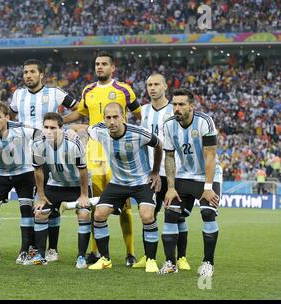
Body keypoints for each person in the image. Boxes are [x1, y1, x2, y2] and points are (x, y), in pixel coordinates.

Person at [63, 51, 141, 266]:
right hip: (93, 154)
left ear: (112, 67)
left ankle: (130, 253)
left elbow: (139, 115)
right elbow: (79, 113)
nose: (99, 67)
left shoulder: (124, 90)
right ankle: (95, 252)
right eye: (97, 64)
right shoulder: (88, 90)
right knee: (93, 206)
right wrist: (59, 121)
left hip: (117, 156)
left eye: (104, 64)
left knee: (125, 206)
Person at [10, 59, 78, 261]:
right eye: (25, 72)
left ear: (41, 75)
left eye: (32, 72)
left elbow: (79, 109)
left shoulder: (55, 93)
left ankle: (52, 249)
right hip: (23, 157)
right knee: (32, 203)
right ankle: (32, 247)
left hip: (48, 155)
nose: (28, 75)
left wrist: (59, 123)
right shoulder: (18, 95)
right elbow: (9, 115)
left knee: (49, 202)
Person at [86, 103, 162, 272]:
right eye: (108, 117)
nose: (112, 121)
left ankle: (151, 260)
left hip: (142, 181)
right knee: (98, 214)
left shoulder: (138, 133)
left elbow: (159, 144)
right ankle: (105, 259)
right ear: (104, 119)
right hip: (118, 182)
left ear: (123, 117)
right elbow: (86, 130)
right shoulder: (99, 130)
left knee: (147, 215)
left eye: (115, 117)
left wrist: (156, 171)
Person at [160, 88, 222, 277]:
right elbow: (169, 156)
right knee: (171, 214)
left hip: (207, 176)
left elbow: (210, 156)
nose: (176, 108)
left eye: (181, 104)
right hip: (184, 176)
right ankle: (170, 263)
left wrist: (208, 188)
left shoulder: (204, 121)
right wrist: (170, 188)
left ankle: (208, 263)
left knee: (207, 213)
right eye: (174, 105)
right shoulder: (169, 124)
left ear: (191, 106)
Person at [134, 74, 190, 271]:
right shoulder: (144, 110)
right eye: (149, 84)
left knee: (176, 214)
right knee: (148, 213)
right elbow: (141, 140)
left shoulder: (175, 109)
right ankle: (148, 256)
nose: (152, 88)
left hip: (174, 171)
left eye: (156, 84)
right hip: (150, 172)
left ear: (165, 86)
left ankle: (181, 257)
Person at [0, 101, 41, 264]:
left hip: (24, 171)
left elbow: (40, 134)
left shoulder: (20, 129)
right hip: (0, 172)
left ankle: (25, 251)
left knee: (26, 208)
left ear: (7, 117)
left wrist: (37, 153)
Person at [31, 112, 91, 268]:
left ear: (61, 128)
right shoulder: (38, 143)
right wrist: (41, 196)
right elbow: (38, 171)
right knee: (40, 212)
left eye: (53, 128)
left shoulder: (73, 143)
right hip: (56, 184)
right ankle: (42, 254)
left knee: (84, 214)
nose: (49, 131)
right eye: (46, 127)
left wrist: (84, 195)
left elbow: (83, 171)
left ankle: (81, 257)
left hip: (77, 186)